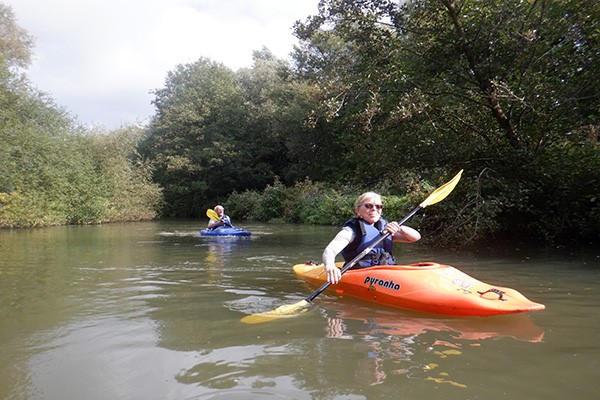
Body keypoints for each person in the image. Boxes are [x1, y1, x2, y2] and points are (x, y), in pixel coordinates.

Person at [322, 192, 421, 284]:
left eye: (378, 206)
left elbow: (415, 237)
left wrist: (399, 228)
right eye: (368, 206)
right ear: (357, 210)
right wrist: (330, 266)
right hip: (360, 274)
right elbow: (330, 250)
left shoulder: (385, 230)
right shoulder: (351, 231)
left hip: (387, 271)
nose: (374, 209)